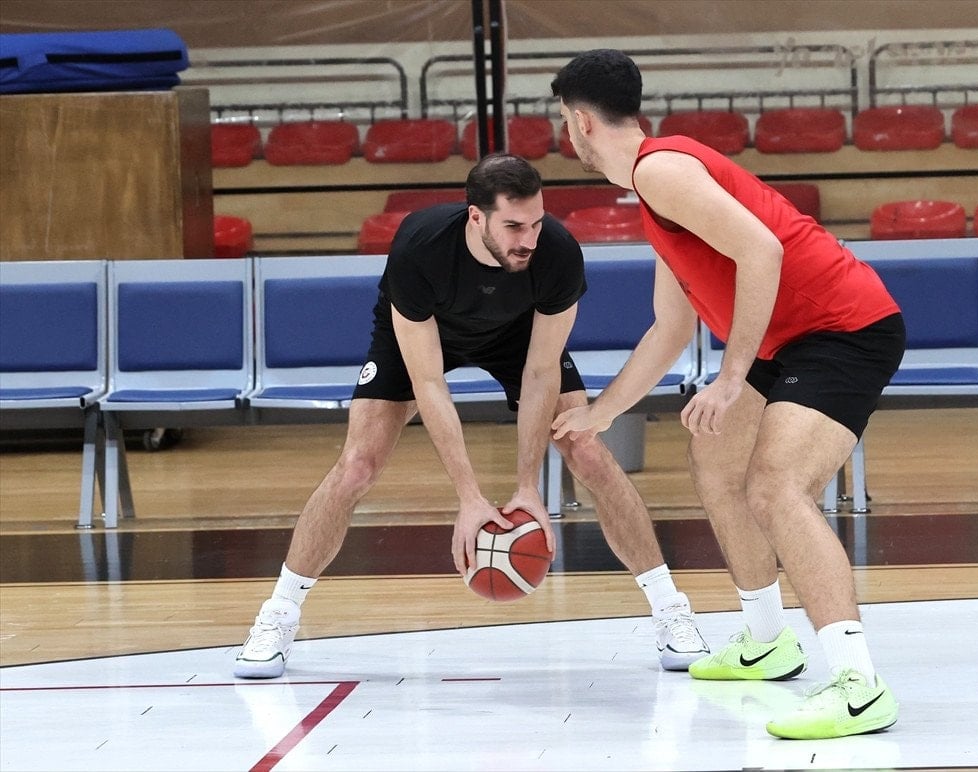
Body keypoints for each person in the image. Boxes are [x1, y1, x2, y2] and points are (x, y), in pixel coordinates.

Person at [233, 153, 709, 679]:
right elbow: (429, 383)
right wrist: (469, 496)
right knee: (357, 467)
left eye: (536, 222)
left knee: (589, 451)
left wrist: (527, 486)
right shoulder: (421, 246)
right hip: (424, 335)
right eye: (513, 226)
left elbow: (540, 372)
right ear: (476, 217)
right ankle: (277, 616)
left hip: (516, 336)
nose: (529, 238)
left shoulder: (557, 253)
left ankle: (671, 610)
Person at [550, 50, 906, 740]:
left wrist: (732, 376)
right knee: (715, 461)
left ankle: (859, 686)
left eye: (564, 121)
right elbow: (671, 326)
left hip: (845, 329)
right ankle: (768, 641)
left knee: (776, 488)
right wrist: (600, 414)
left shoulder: (661, 171)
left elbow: (762, 251)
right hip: (786, 340)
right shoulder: (655, 187)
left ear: (581, 122)